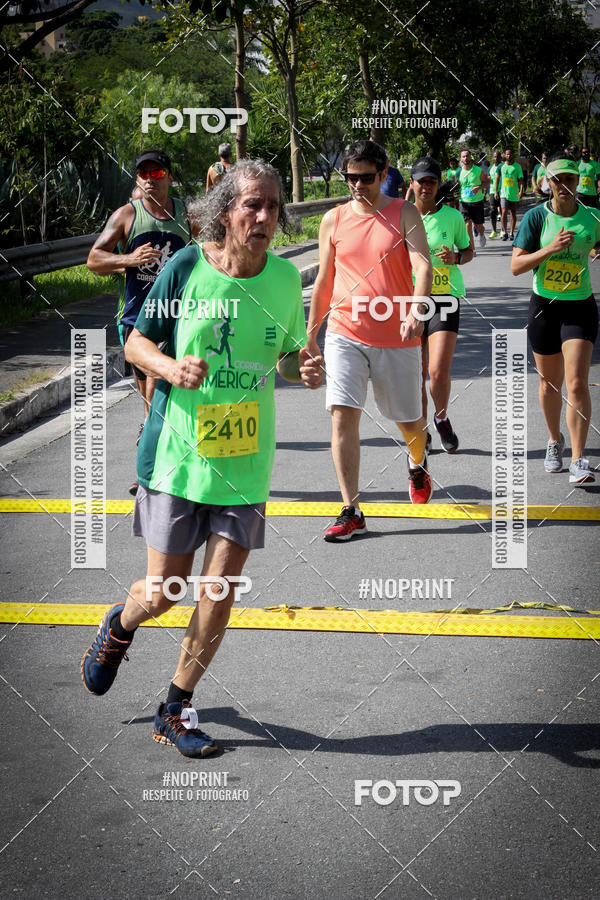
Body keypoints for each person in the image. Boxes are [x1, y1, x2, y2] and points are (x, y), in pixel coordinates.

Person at [81, 160, 324, 756]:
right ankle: (119, 625)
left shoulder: (287, 283)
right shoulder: (188, 267)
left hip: (244, 466)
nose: (264, 216)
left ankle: (175, 708)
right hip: (176, 457)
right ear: (225, 210)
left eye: (273, 206)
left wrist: (306, 369)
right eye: (252, 205)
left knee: (219, 591)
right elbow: (136, 341)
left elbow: (288, 358)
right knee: (165, 590)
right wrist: (170, 367)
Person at [303, 140, 433, 542]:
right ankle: (351, 509)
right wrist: (311, 335)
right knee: (342, 413)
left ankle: (418, 460)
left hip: (396, 335)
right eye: (351, 177)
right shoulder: (334, 220)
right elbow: (324, 281)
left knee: (409, 421)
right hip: (345, 332)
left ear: (383, 173)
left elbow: (422, 264)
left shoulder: (403, 212)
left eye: (366, 178)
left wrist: (417, 310)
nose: (358, 185)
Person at [87, 149, 191, 496]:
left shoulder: (186, 215)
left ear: (169, 177)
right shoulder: (127, 216)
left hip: (178, 316)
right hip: (136, 320)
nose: (150, 179)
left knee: (161, 391)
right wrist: (129, 259)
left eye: (157, 174)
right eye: (144, 174)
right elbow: (93, 259)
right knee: (151, 391)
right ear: (137, 179)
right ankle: (151, 466)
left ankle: (156, 458)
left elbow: (211, 249)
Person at [511, 152, 600, 485]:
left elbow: (595, 244)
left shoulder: (592, 217)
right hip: (544, 308)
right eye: (558, 180)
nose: (564, 186)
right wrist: (549, 249)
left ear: (580, 182)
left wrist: (594, 249)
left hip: (579, 307)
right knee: (549, 385)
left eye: (571, 179)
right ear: (547, 183)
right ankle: (554, 440)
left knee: (576, 382)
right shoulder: (537, 218)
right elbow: (516, 266)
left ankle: (578, 459)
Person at [409, 157, 473, 454]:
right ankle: (422, 429)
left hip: (444, 297)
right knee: (415, 372)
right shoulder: (399, 216)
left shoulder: (453, 217)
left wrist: (456, 258)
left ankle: (442, 416)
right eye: (421, 181)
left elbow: (468, 250)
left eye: (431, 182)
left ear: (438, 185)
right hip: (409, 300)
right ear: (412, 184)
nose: (426, 187)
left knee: (437, 371)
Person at [458, 148, 489, 248]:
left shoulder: (477, 170)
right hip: (464, 202)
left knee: (478, 226)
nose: (466, 158)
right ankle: (471, 247)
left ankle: (481, 234)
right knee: (467, 224)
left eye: (467, 156)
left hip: (477, 201)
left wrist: (479, 187)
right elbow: (456, 186)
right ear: (461, 159)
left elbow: (487, 182)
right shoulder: (459, 172)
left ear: (470, 157)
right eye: (463, 156)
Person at [494, 146, 524, 241]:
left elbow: (521, 180)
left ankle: (511, 233)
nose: (509, 155)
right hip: (504, 193)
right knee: (503, 212)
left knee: (513, 213)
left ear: (513, 155)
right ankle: (505, 232)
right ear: (505, 155)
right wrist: (495, 191)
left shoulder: (517, 166)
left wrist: (521, 191)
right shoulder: (501, 166)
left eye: (510, 154)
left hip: (514, 193)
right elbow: (497, 179)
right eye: (507, 154)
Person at [488, 150, 503, 238]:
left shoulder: (502, 166)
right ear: (492, 158)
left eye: (497, 156)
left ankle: (503, 230)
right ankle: (494, 231)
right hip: (492, 191)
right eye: (494, 157)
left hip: (502, 191)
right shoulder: (490, 168)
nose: (496, 158)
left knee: (501, 211)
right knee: (492, 211)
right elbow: (489, 179)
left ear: (500, 157)